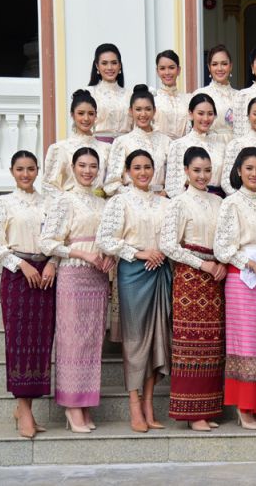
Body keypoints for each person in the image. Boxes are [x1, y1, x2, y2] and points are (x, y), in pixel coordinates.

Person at [40, 147, 114, 434]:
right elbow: (48, 242)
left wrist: (110, 257)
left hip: (98, 277)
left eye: (93, 166)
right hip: (73, 274)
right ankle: (71, 406)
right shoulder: (64, 200)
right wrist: (83, 254)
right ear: (73, 168)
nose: (87, 171)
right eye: (82, 165)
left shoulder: (103, 204)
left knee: (92, 341)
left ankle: (85, 402)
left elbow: (108, 239)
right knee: (72, 341)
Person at [0, 150, 56, 439]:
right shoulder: (2, 203)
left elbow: (59, 239)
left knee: (41, 343)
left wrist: (52, 262)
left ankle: (25, 407)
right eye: (20, 169)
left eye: (31, 169)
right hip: (17, 275)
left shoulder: (49, 202)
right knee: (18, 341)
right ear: (12, 171)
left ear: (38, 171)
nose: (26, 174)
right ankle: (23, 409)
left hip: (46, 277)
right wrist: (21, 265)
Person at [96, 149, 171, 433]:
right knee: (135, 341)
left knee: (158, 339)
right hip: (133, 272)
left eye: (147, 167)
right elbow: (105, 239)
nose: (143, 172)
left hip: (161, 270)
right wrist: (139, 253)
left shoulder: (165, 203)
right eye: (137, 167)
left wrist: (160, 253)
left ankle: (149, 403)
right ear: (127, 172)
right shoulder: (120, 201)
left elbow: (173, 237)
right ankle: (134, 404)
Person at [214, 147, 256, 430]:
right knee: (244, 342)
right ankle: (243, 408)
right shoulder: (231, 203)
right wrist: (252, 265)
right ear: (239, 171)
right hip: (243, 277)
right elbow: (222, 247)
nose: (254, 173)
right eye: (249, 168)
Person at [160, 146, 226, 432]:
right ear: (186, 171)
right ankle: (191, 412)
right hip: (190, 278)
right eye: (197, 170)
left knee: (212, 345)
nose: (202, 176)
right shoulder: (178, 203)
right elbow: (168, 245)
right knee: (191, 344)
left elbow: (226, 238)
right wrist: (203, 265)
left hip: (216, 277)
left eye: (207, 170)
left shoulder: (219, 202)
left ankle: (208, 408)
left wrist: (220, 263)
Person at [42, 89, 111, 202]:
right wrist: (68, 202)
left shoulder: (106, 148)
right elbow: (48, 185)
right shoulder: (60, 148)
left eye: (91, 114)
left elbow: (112, 183)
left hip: (100, 207)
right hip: (72, 207)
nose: (86, 118)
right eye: (81, 113)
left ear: (96, 116)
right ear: (72, 115)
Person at [104, 84, 171, 196]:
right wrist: (135, 195)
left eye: (148, 109)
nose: (143, 114)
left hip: (161, 200)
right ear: (131, 111)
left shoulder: (166, 142)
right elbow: (112, 183)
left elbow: (174, 179)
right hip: (131, 201)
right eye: (138, 109)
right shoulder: (122, 142)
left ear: (154, 111)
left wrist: (164, 195)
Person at [165, 93, 225, 197]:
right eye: (201, 113)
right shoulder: (178, 145)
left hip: (218, 201)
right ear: (191, 114)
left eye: (210, 114)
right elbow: (173, 188)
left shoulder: (221, 146)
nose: (206, 118)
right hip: (189, 201)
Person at [86, 43, 131, 142]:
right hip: (97, 147)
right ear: (97, 66)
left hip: (126, 147)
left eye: (114, 63)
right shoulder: (89, 93)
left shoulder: (130, 95)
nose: (110, 67)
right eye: (104, 63)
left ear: (120, 66)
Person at [193, 44, 238, 144]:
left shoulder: (240, 96)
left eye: (224, 64)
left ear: (231, 66)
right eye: (215, 64)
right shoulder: (200, 94)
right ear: (209, 67)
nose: (220, 68)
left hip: (236, 146)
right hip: (208, 145)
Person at [153, 50, 190, 140]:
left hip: (184, 147)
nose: (167, 72)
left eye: (171, 68)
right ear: (157, 71)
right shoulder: (153, 99)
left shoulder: (188, 99)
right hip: (159, 146)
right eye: (162, 68)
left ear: (178, 70)